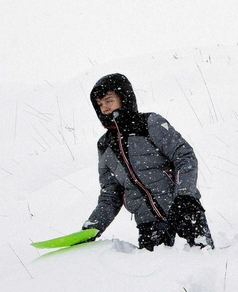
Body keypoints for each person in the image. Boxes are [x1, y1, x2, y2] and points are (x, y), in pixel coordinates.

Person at [84, 73, 215, 250]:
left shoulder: (149, 123)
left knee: (204, 257)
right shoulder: (105, 145)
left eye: (109, 101)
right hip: (148, 220)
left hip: (182, 206)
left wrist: (185, 194)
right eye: (100, 104)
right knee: (156, 271)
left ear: (124, 98)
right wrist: (94, 226)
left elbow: (184, 156)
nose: (104, 108)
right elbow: (111, 193)